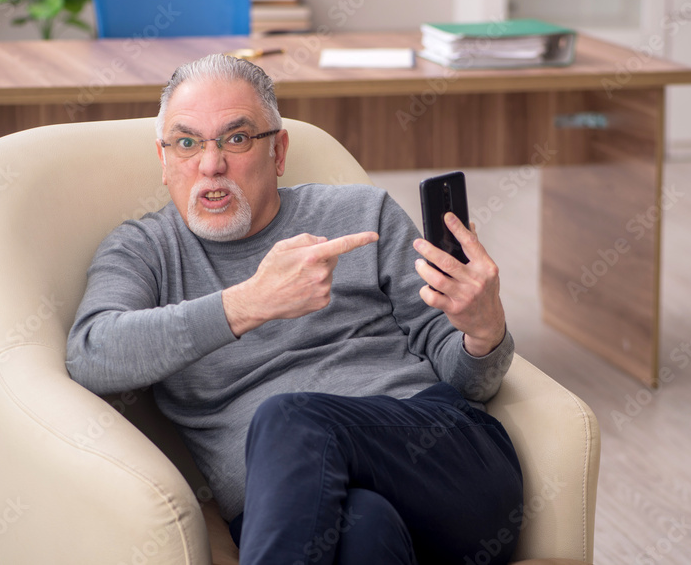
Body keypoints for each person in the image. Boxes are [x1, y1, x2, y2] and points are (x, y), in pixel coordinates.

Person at [66, 54, 524, 565]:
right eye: (188, 142)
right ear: (164, 157)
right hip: (300, 511)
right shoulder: (141, 251)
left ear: (278, 152)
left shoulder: (359, 213)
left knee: (289, 418)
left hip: (449, 465)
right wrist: (246, 304)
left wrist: (484, 334)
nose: (210, 163)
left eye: (236, 139)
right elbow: (91, 354)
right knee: (363, 531)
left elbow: (467, 381)